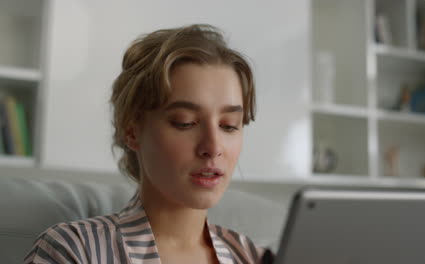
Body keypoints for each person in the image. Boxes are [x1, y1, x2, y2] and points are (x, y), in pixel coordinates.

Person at [24, 24, 273, 263]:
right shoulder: (73, 249)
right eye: (184, 122)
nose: (213, 146)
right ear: (132, 131)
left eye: (229, 125)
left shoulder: (253, 257)